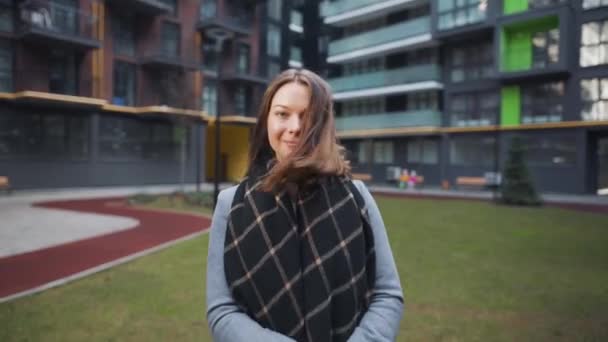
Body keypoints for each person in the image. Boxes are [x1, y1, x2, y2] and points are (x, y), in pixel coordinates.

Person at [206, 69, 404, 342]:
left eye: (307, 115)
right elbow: (222, 309)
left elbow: (386, 293)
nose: (295, 126)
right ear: (266, 122)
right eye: (282, 114)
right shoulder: (231, 206)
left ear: (323, 125)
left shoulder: (357, 197)